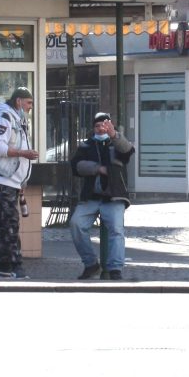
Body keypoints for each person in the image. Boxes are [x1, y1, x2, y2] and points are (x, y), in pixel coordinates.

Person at [0, 87, 39, 279]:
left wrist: (22, 180)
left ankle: (8, 267)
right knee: (9, 221)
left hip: (10, 180)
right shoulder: (5, 118)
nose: (30, 107)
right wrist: (24, 154)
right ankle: (9, 267)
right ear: (19, 102)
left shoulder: (18, 120)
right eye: (28, 103)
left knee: (9, 221)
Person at [69, 112, 134, 280]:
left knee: (116, 230)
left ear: (110, 126)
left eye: (104, 125)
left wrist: (114, 135)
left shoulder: (117, 143)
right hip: (91, 197)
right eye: (97, 126)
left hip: (114, 196)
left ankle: (115, 268)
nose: (100, 128)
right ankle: (91, 264)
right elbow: (76, 166)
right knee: (76, 224)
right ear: (93, 128)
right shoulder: (86, 146)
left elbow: (127, 151)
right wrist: (97, 168)